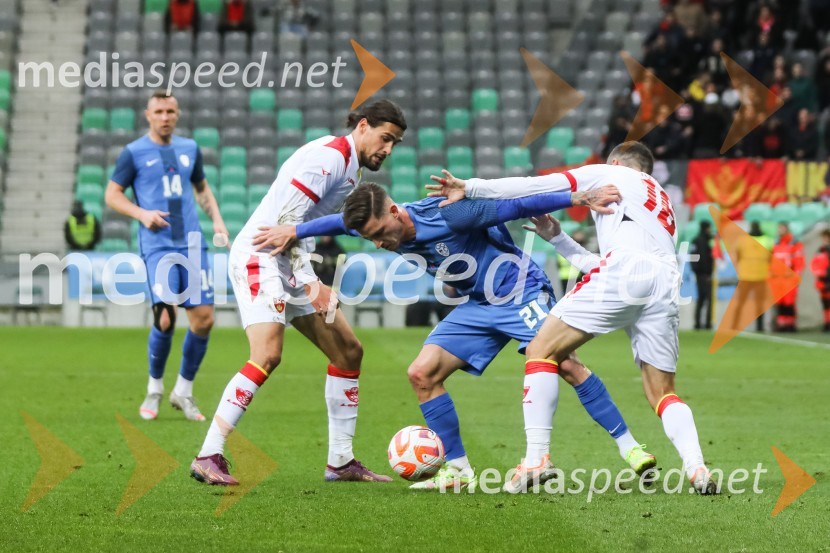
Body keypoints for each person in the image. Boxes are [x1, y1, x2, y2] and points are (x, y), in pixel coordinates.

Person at [262, 181, 656, 493]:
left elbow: (513, 207)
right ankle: (460, 470)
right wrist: (295, 229)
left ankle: (631, 448)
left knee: (564, 363)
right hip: (479, 304)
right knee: (422, 373)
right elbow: (335, 223)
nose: (380, 244)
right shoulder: (379, 226)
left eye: (381, 233)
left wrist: (580, 196)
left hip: (518, 289)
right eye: (371, 240)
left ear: (395, 212)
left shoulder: (450, 214)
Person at [428, 141, 718, 494]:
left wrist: (470, 187)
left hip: (627, 271)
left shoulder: (611, 172)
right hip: (665, 283)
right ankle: (697, 467)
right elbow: (625, 265)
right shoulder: (659, 201)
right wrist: (559, 238)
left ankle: (536, 459)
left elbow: (536, 185)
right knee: (662, 392)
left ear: (615, 161)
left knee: (540, 351)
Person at [190, 100, 406, 485]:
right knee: (267, 354)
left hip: (289, 262)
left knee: (348, 351)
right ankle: (209, 454)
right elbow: (287, 224)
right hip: (261, 257)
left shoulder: (350, 169)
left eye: (395, 143)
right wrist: (312, 283)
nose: (388, 149)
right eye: (385, 138)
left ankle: (340, 462)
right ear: (362, 126)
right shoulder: (327, 160)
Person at [105, 91, 228, 422]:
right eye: (158, 111)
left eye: (170, 111)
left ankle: (183, 392)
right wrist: (142, 214)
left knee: (204, 320)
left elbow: (201, 188)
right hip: (158, 245)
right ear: (148, 114)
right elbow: (112, 195)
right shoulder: (133, 153)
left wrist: (216, 218)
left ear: (178, 114)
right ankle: (155, 388)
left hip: (192, 243)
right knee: (165, 318)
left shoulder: (190, 149)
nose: (165, 116)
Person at [732, 221, 773, 332]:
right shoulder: (767, 241)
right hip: (761, 275)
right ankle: (759, 327)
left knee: (740, 303)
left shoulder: (742, 240)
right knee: (759, 304)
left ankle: (734, 325)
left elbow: (737, 256)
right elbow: (771, 258)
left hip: (745, 276)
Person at [771, 222, 805, 332]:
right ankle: (782, 324)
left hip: (789, 278)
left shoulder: (794, 243)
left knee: (789, 302)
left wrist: (796, 276)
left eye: (782, 228)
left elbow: (799, 261)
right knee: (780, 302)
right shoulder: (776, 244)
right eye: (779, 228)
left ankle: (790, 324)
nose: (780, 230)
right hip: (777, 279)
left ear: (787, 229)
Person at [690, 220, 714, 330]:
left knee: (704, 299)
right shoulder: (700, 241)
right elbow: (694, 258)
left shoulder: (706, 240)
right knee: (704, 299)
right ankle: (702, 323)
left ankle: (701, 323)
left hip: (703, 274)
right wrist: (699, 271)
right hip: (703, 274)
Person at [810, 230, 830, 332]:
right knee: (825, 303)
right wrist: (818, 274)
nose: (825, 240)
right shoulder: (820, 250)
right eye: (824, 238)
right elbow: (814, 264)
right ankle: (827, 323)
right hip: (822, 281)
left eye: (827, 237)